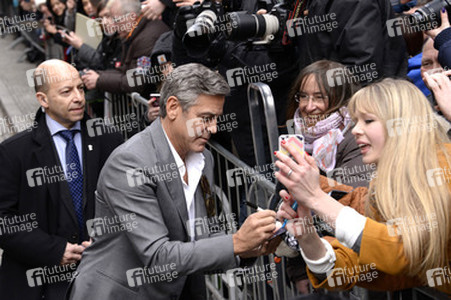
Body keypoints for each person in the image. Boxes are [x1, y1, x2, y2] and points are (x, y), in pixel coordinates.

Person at [67, 63, 279, 300]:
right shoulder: (130, 163)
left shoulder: (204, 159)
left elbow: (201, 236)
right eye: (206, 118)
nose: (214, 128)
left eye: (216, 118)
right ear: (173, 107)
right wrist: (237, 242)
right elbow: (158, 256)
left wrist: (248, 249)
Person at [275, 79, 451, 295]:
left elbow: (403, 251)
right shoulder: (388, 180)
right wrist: (309, 239)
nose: (356, 129)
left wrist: (316, 197)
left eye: (368, 120)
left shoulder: (443, 167)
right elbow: (377, 265)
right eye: (356, 120)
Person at [0, 59, 123, 300]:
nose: (78, 97)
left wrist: (104, 240)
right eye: (66, 91)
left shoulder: (108, 139)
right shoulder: (14, 152)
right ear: (42, 99)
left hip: (99, 281)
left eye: (80, 88)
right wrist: (55, 251)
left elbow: (127, 202)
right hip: (37, 285)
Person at [81, 0, 170, 96]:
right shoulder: (134, 34)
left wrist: (99, 80)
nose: (114, 25)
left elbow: (137, 80)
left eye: (116, 20)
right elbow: (124, 70)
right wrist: (97, 75)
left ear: (132, 16)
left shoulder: (147, 38)